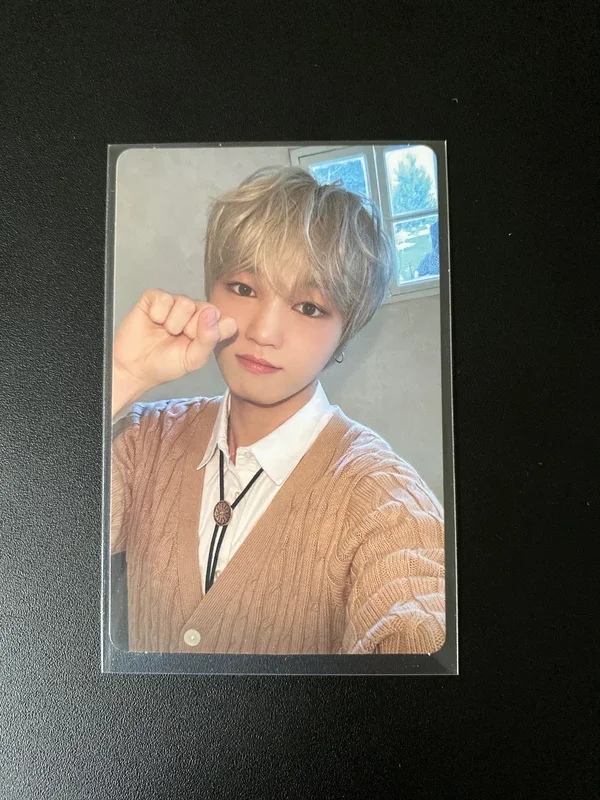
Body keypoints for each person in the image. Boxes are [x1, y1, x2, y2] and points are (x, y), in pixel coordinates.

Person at [110, 166, 445, 655]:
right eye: (244, 289)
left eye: (309, 307)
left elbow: (418, 628)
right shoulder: (142, 439)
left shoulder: (384, 498)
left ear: (344, 333)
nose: (263, 332)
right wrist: (121, 376)